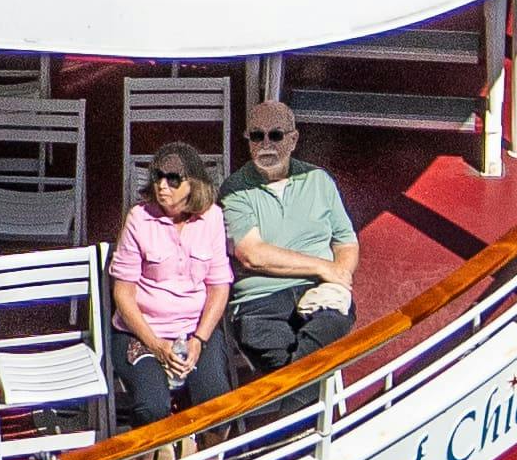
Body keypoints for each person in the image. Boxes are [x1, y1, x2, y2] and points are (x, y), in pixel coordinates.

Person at [221, 101, 359, 376]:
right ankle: (302, 410)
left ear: (293, 139)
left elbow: (345, 241)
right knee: (306, 368)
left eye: (276, 135)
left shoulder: (318, 180)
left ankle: (295, 411)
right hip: (260, 301)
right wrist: (323, 267)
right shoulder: (234, 189)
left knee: (317, 345)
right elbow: (253, 255)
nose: (265, 144)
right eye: (257, 136)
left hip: (319, 292)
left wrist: (340, 274)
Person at [107, 142, 234, 423]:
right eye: (157, 176)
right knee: (151, 406)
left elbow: (218, 285)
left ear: (194, 183)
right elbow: (123, 294)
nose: (163, 185)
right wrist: (156, 344)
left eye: (173, 179)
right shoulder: (139, 219)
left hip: (194, 329)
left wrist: (200, 339)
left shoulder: (211, 217)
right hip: (141, 334)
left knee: (216, 398)